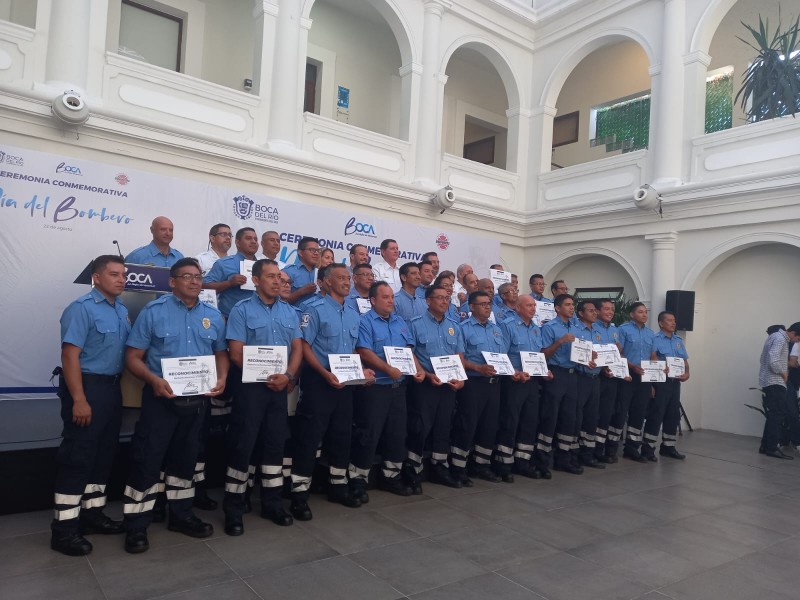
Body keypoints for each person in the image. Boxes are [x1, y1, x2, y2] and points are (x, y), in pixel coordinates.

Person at [122, 258, 229, 554]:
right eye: (187, 277)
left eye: (198, 277)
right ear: (172, 282)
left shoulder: (213, 315)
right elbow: (132, 358)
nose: (195, 282)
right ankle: (136, 526)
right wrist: (153, 380)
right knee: (148, 460)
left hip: (197, 403)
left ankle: (181, 516)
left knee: (186, 459)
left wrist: (222, 377)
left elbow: (221, 353)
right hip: (160, 400)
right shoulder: (154, 312)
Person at [51, 255, 130, 557]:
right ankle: (64, 531)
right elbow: (70, 357)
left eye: (123, 274)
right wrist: (80, 399)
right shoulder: (81, 309)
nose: (121, 279)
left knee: (101, 457)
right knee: (77, 458)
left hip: (111, 389)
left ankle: (92, 515)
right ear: (97, 277)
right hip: (86, 388)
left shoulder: (120, 310)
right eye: (114, 274)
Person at [222, 259, 302, 536]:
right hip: (250, 389)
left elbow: (297, 349)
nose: (277, 281)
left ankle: (272, 503)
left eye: (279, 277)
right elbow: (235, 352)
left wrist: (289, 376)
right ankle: (233, 507)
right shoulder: (241, 310)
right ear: (256, 280)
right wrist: (268, 375)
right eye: (270, 277)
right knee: (243, 445)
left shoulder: (290, 312)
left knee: (274, 445)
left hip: (279, 388)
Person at [290, 264, 374, 519]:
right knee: (309, 438)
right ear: (326, 282)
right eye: (340, 278)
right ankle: (299, 495)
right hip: (319, 382)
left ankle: (338, 485)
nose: (346, 282)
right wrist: (325, 373)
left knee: (341, 436)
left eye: (348, 278)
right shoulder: (313, 309)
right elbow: (304, 346)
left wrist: (361, 373)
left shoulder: (352, 313)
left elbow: (352, 351)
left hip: (345, 385)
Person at [351, 282, 425, 500]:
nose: (391, 301)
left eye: (392, 297)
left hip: (398, 388)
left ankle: (390, 476)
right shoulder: (365, 322)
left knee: (397, 433)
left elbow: (408, 351)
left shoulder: (400, 322)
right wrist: (387, 369)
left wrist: (419, 370)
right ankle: (358, 479)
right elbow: (364, 351)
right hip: (376, 389)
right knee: (369, 433)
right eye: (385, 297)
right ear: (373, 301)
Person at [404, 285, 465, 491]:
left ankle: (440, 467)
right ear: (428, 301)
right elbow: (410, 353)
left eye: (447, 298)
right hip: (425, 385)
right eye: (439, 298)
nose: (444, 301)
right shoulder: (415, 324)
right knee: (420, 427)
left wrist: (461, 378)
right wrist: (426, 373)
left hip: (448, 385)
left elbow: (459, 355)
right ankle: (413, 469)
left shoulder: (455, 326)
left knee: (443, 426)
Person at [451, 291, 510, 485]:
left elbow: (503, 357)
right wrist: (478, 368)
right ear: (472, 306)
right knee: (467, 425)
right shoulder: (463, 329)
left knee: (489, 425)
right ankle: (459, 468)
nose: (487, 306)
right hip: (473, 383)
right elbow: (460, 359)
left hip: (494, 384)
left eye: (489, 303)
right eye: (482, 303)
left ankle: (481, 465)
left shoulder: (496, 329)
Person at [496, 295, 551, 481]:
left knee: (529, 421)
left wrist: (544, 370)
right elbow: (501, 354)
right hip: (514, 382)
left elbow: (538, 356)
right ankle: (504, 464)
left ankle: (523, 462)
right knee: (510, 421)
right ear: (518, 308)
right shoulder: (507, 325)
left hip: (533, 382)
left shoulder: (536, 329)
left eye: (534, 305)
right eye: (529, 305)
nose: (533, 308)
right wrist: (515, 371)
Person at [538, 294, 581, 476]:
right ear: (557, 308)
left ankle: (563, 459)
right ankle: (542, 462)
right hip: (556, 373)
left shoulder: (577, 327)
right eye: (568, 305)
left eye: (573, 305)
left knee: (569, 417)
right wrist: (560, 342)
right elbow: (544, 354)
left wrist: (590, 358)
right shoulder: (549, 328)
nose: (571, 308)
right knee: (550, 417)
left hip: (572, 375)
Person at [642, 311, 690, 461]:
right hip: (660, 382)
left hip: (675, 382)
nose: (673, 323)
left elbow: (684, 361)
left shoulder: (678, 340)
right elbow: (652, 358)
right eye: (669, 320)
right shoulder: (655, 339)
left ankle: (668, 447)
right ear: (661, 323)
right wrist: (658, 370)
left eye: (674, 320)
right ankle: (648, 448)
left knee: (673, 414)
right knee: (656, 414)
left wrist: (687, 373)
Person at [616, 302, 657, 463]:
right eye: (640, 312)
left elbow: (652, 356)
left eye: (645, 312)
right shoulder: (623, 329)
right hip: (627, 376)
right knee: (621, 411)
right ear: (632, 314)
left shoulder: (650, 333)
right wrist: (632, 366)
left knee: (639, 413)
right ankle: (611, 447)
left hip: (644, 378)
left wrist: (653, 381)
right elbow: (619, 353)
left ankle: (632, 448)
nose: (644, 315)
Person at [758, 323, 800, 459]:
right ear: (793, 333)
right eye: (798, 338)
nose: (797, 341)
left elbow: (763, 358)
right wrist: (783, 373)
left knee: (773, 415)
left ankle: (765, 446)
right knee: (777, 415)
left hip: (769, 381)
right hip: (775, 381)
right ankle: (771, 448)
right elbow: (773, 360)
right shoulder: (781, 339)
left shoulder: (774, 336)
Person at [593, 299, 626, 463]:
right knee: (597, 414)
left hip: (613, 376)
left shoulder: (614, 330)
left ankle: (606, 450)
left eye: (612, 309)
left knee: (608, 412)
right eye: (606, 309)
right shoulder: (592, 328)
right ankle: (595, 450)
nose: (610, 312)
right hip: (598, 375)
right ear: (597, 311)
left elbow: (618, 352)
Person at [202, 227, 259, 317]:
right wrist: (229, 283)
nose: (253, 241)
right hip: (230, 319)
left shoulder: (263, 266)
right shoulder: (224, 263)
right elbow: (204, 287)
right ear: (237, 243)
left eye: (255, 239)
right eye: (248, 238)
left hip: (258, 319)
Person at [573, 301, 603, 469]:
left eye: (594, 310)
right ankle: (575, 454)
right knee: (578, 417)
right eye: (590, 311)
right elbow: (574, 353)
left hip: (596, 378)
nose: (594, 313)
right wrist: (585, 360)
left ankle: (588, 454)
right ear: (581, 313)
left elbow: (606, 353)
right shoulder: (576, 331)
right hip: (581, 377)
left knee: (592, 417)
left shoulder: (598, 331)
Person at [283, 236, 320, 306]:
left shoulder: (320, 273)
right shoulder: (289, 272)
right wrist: (301, 292)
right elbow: (280, 301)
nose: (316, 253)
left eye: (318, 251)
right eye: (312, 250)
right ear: (300, 252)